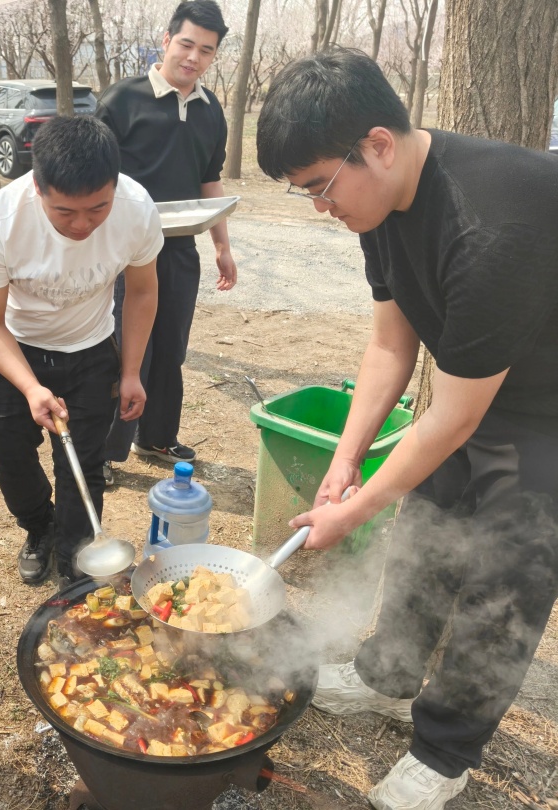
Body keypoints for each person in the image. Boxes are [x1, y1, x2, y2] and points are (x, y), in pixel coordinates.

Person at [255, 49, 558, 810]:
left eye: (320, 186)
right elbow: (391, 345)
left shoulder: (492, 226)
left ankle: (445, 753)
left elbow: (454, 418)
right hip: (482, 381)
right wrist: (346, 462)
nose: (319, 207)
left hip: (549, 411)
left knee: (505, 579)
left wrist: (352, 512)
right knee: (427, 525)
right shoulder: (381, 202)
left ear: (378, 144)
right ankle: (387, 678)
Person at [0, 116, 161, 585]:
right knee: (9, 454)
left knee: (83, 464)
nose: (83, 224)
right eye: (65, 212)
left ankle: (77, 553)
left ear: (115, 187)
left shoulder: (136, 209)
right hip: (15, 351)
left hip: (91, 350)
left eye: (98, 208)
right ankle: (39, 527)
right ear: (38, 187)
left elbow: (141, 293)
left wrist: (130, 372)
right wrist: (31, 388)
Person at [96, 0, 238, 481]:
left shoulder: (210, 110)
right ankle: (103, 452)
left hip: (179, 249)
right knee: (124, 352)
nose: (193, 58)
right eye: (186, 44)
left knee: (170, 348)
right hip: (123, 251)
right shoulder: (122, 100)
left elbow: (209, 179)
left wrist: (222, 246)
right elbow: (95, 175)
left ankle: (155, 436)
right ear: (166, 40)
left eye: (206, 50)